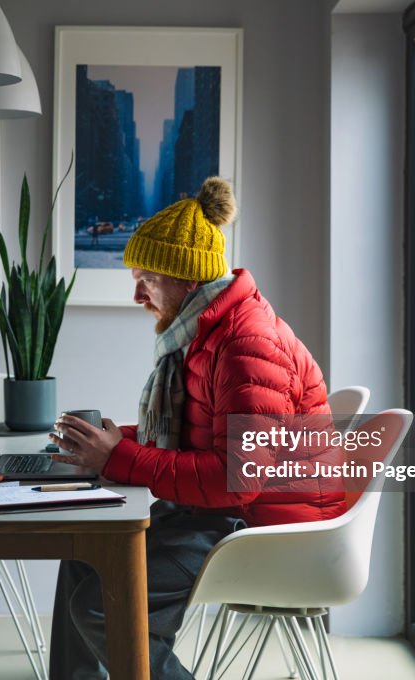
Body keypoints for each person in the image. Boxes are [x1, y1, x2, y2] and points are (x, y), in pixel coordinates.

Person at [47, 177, 346, 680]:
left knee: (101, 605)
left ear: (187, 281)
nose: (137, 295)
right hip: (227, 513)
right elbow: (197, 435)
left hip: (264, 529)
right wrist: (110, 441)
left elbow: (237, 479)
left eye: (147, 279)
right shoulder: (208, 332)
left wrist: (117, 457)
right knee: (85, 552)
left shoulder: (247, 346)